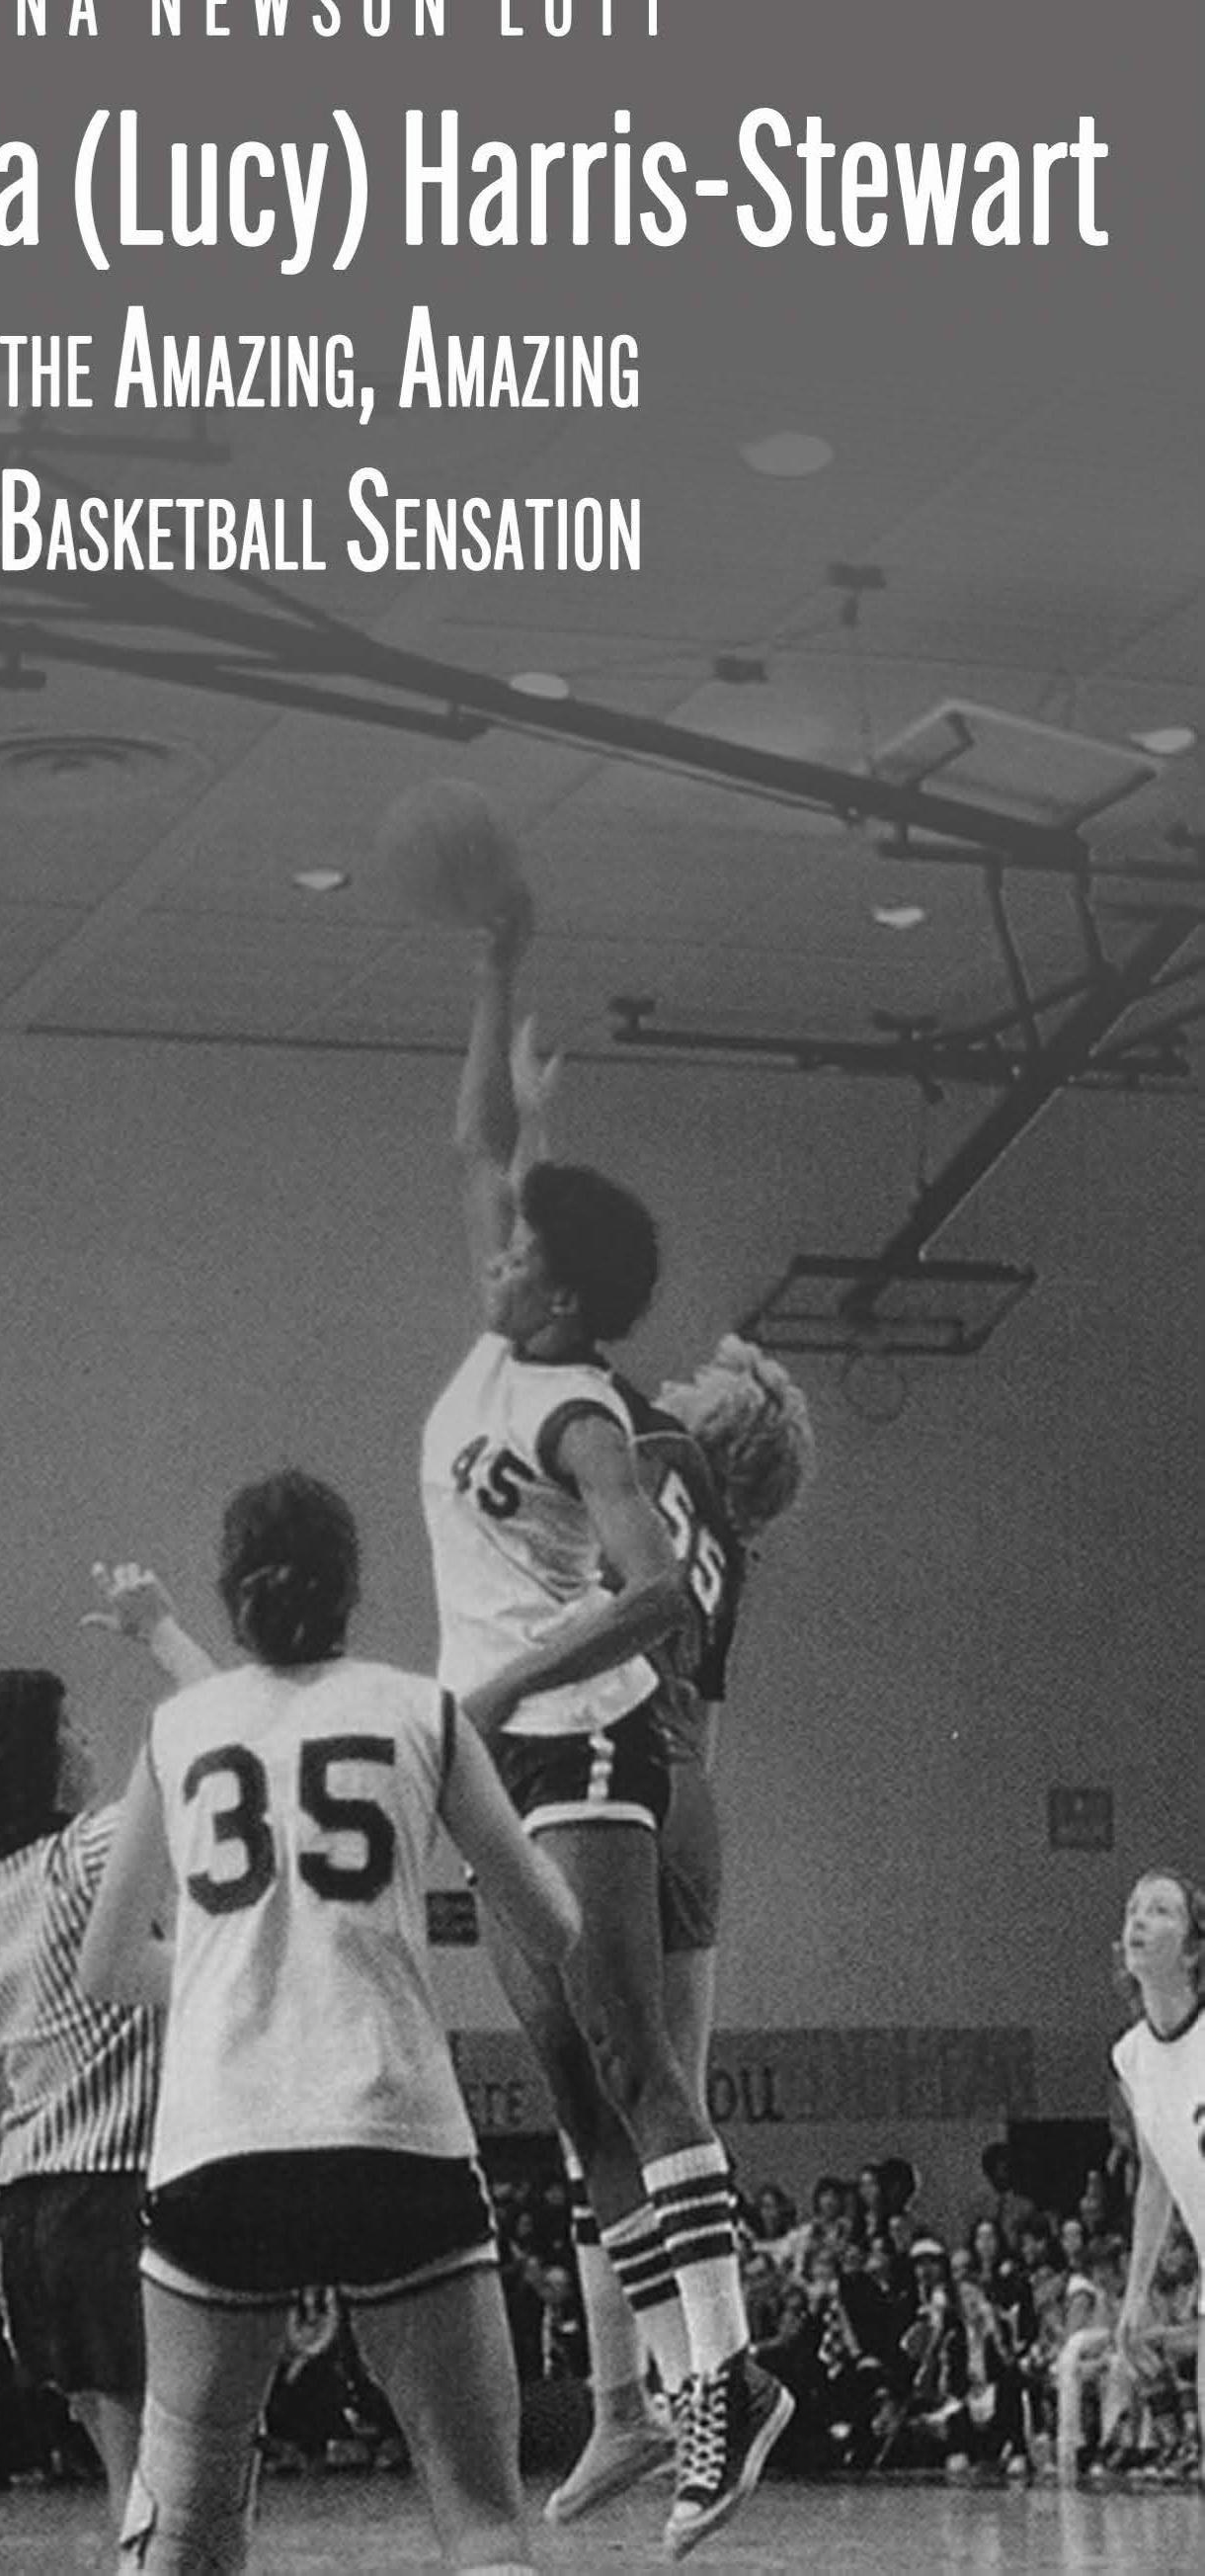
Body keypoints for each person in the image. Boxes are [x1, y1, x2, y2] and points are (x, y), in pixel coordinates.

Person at [421, 906, 804, 2557]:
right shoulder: (502, 1359)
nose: (489, 1251)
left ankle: (724, 2388)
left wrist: (496, 1695)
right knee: (575, 2106)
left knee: (642, 2074)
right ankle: (662, 2393)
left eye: (520, 1254)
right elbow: (481, 1144)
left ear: (567, 1295)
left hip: (581, 1748)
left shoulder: (586, 1413)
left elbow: (653, 1603)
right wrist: (501, 992)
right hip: (511, 1768)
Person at [79, 1468, 581, 2576]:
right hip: (393, 2129)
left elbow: (108, 1963)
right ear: (354, 1586)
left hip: (221, 2144)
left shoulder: (178, 1729)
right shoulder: (422, 1710)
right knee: (481, 2521)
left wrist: (228, 1967)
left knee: (187, 2526)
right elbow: (549, 1926)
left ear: (228, 1591)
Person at [0, 1634, 209, 2535]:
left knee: (122, 2466)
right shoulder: (96, 1849)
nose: (89, 1742)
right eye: (73, 1729)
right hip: (119, 2191)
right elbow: (212, 1744)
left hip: (31, 2216)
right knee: (163, 2473)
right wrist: (163, 1634)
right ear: (39, 1763)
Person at [1109, 1868, 1205, 2484]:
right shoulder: (1131, 2056)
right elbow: (1155, 2179)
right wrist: (1135, 2294)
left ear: (1195, 1947)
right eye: (1135, 1908)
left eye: (1162, 1910)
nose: (1140, 1919)